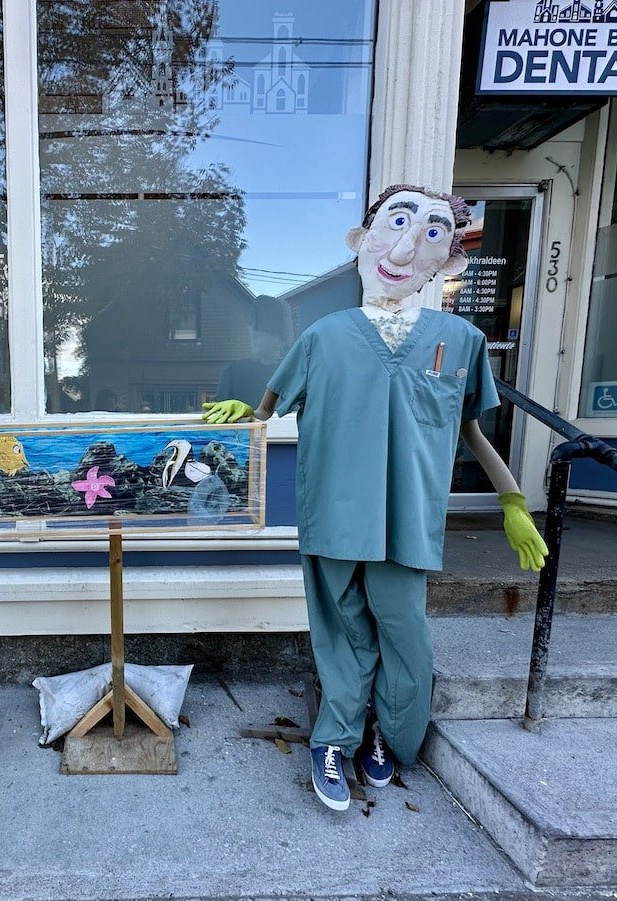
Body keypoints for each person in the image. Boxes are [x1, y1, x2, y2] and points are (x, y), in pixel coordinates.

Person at [204, 185, 547, 811]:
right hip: (334, 510)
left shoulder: (462, 340)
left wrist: (513, 503)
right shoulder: (324, 336)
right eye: (396, 223)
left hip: (409, 518)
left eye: (433, 232)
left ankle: (389, 737)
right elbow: (268, 408)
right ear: (364, 240)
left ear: (448, 261)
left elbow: (469, 429)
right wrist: (244, 419)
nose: (409, 242)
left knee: (404, 634)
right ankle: (333, 738)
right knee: (341, 633)